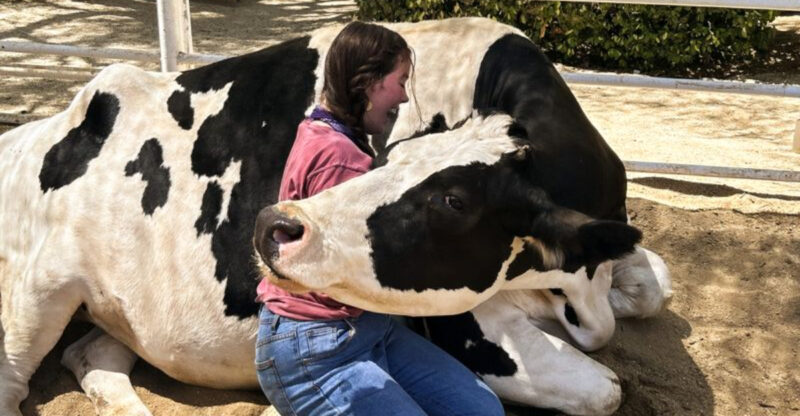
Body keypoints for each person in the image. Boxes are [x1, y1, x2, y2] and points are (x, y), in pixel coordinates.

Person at [254, 21, 505, 416]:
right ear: (368, 84)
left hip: (372, 331)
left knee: (481, 410)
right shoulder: (342, 160)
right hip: (319, 347)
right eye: (400, 82)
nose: (404, 97)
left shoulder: (320, 129)